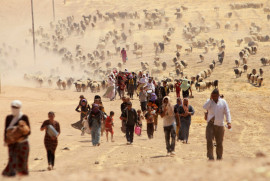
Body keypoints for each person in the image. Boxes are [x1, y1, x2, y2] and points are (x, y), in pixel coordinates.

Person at [2, 100, 31, 177]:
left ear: (20, 108)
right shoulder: (8, 118)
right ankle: (12, 172)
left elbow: (28, 131)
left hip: (23, 142)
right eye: (13, 107)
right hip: (11, 142)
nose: (14, 109)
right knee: (12, 157)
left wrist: (20, 135)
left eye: (16, 107)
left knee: (23, 159)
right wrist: (5, 140)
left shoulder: (24, 117)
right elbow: (6, 129)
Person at [203, 89, 231, 160]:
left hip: (220, 125)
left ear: (218, 95)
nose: (214, 97)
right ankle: (210, 157)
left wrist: (229, 122)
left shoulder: (223, 102)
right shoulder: (209, 101)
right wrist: (210, 99)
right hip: (210, 124)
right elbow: (204, 107)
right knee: (209, 140)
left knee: (219, 142)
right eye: (213, 95)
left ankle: (219, 157)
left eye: (215, 96)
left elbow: (227, 112)